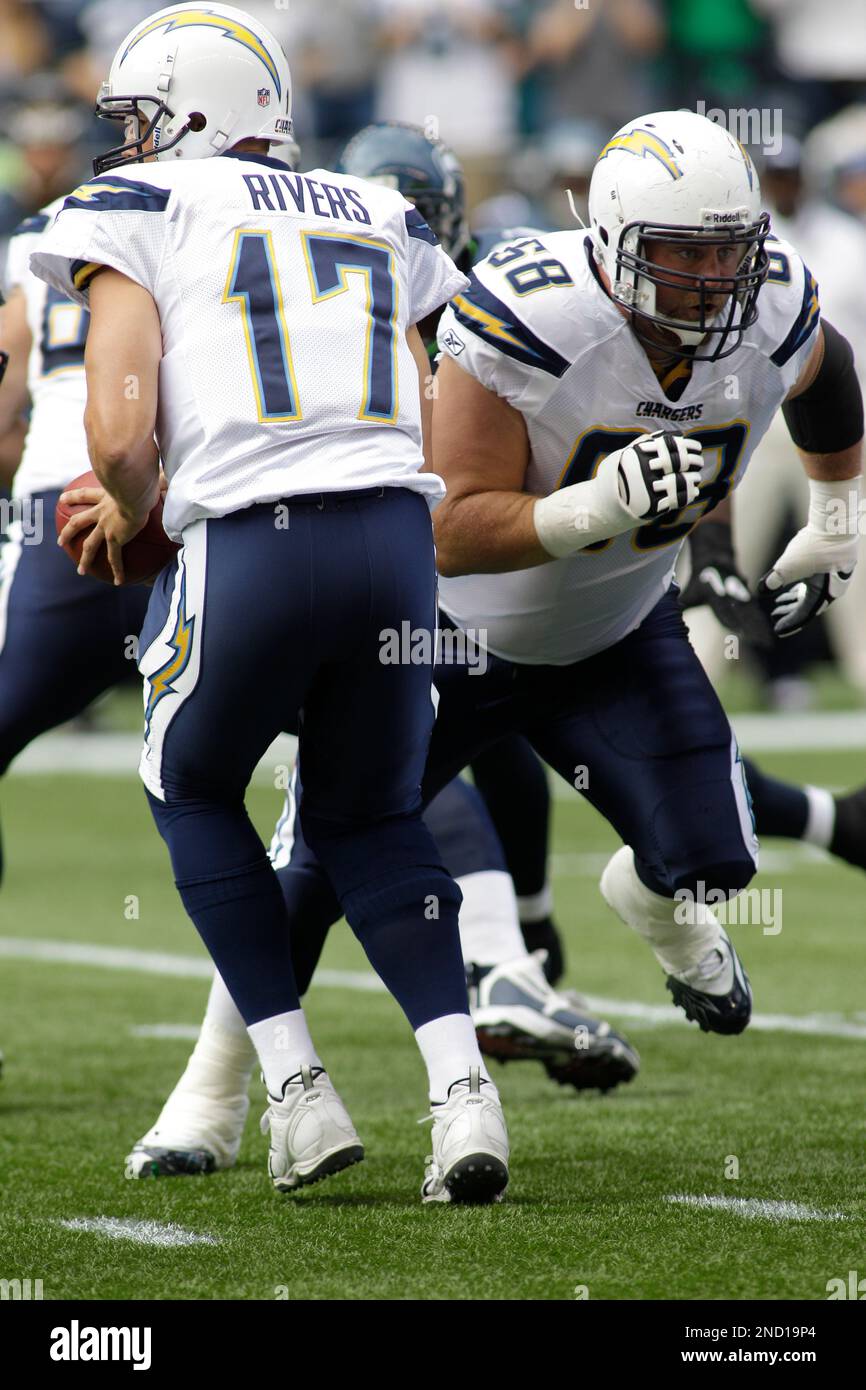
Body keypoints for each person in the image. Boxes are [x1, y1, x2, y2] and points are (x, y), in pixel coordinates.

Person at [34, 1, 510, 1206]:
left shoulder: (143, 206)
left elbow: (119, 423)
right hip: (396, 540)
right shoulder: (380, 208)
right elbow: (411, 386)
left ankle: (296, 1091)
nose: (129, 140)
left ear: (192, 112)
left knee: (187, 780)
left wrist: (129, 500)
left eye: (142, 115)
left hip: (256, 541)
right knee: (372, 817)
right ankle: (461, 1099)